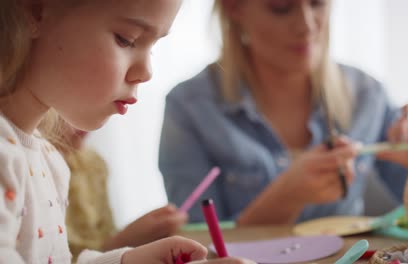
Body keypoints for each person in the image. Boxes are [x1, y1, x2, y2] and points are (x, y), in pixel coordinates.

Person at [159, 0, 408, 225]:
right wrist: (285, 198)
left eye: (317, 2)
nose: (307, 24)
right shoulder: (189, 107)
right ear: (234, 8)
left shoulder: (366, 94)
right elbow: (199, 245)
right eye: (281, 8)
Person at [0, 0, 253, 263]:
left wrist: (128, 261)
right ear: (36, 12)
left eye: (152, 48)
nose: (146, 73)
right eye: (126, 40)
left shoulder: (48, 159)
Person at [56, 125, 188, 261]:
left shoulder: (94, 164)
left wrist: (132, 239)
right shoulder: (39, 168)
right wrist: (123, 241)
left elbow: (105, 234)